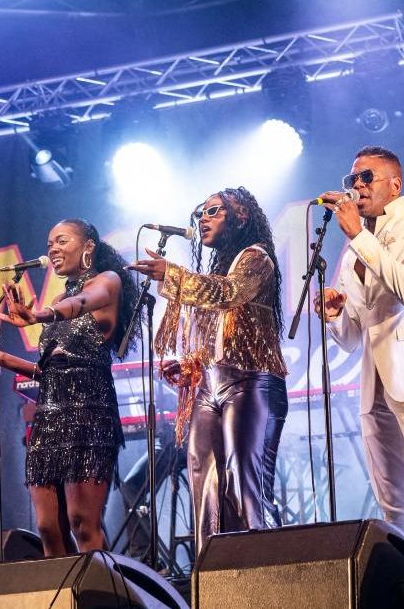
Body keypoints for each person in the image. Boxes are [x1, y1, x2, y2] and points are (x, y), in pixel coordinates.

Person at [316, 145, 404, 546]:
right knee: (394, 503)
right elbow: (351, 338)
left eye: (367, 177)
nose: (357, 185)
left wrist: (358, 236)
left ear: (395, 185)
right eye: (353, 178)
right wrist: (334, 315)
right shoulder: (354, 251)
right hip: (375, 385)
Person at [128, 187, 288, 551]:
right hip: (210, 385)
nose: (204, 218)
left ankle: (269, 567)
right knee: (206, 485)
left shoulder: (257, 257)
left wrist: (173, 275)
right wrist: (191, 365)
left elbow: (228, 293)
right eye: (201, 212)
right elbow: (217, 334)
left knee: (243, 482)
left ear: (241, 217)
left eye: (214, 211)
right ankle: (212, 572)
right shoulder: (216, 268)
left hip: (250, 382)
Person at [0, 218, 139, 556]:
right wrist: (3, 358)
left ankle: (102, 586)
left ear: (88, 246)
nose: (53, 248)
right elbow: (48, 370)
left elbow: (83, 302)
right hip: (49, 416)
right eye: (50, 243)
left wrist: (41, 315)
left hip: (88, 412)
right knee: (48, 527)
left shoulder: (107, 282)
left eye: (62, 241)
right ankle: (62, 588)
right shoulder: (58, 298)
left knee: (82, 522)